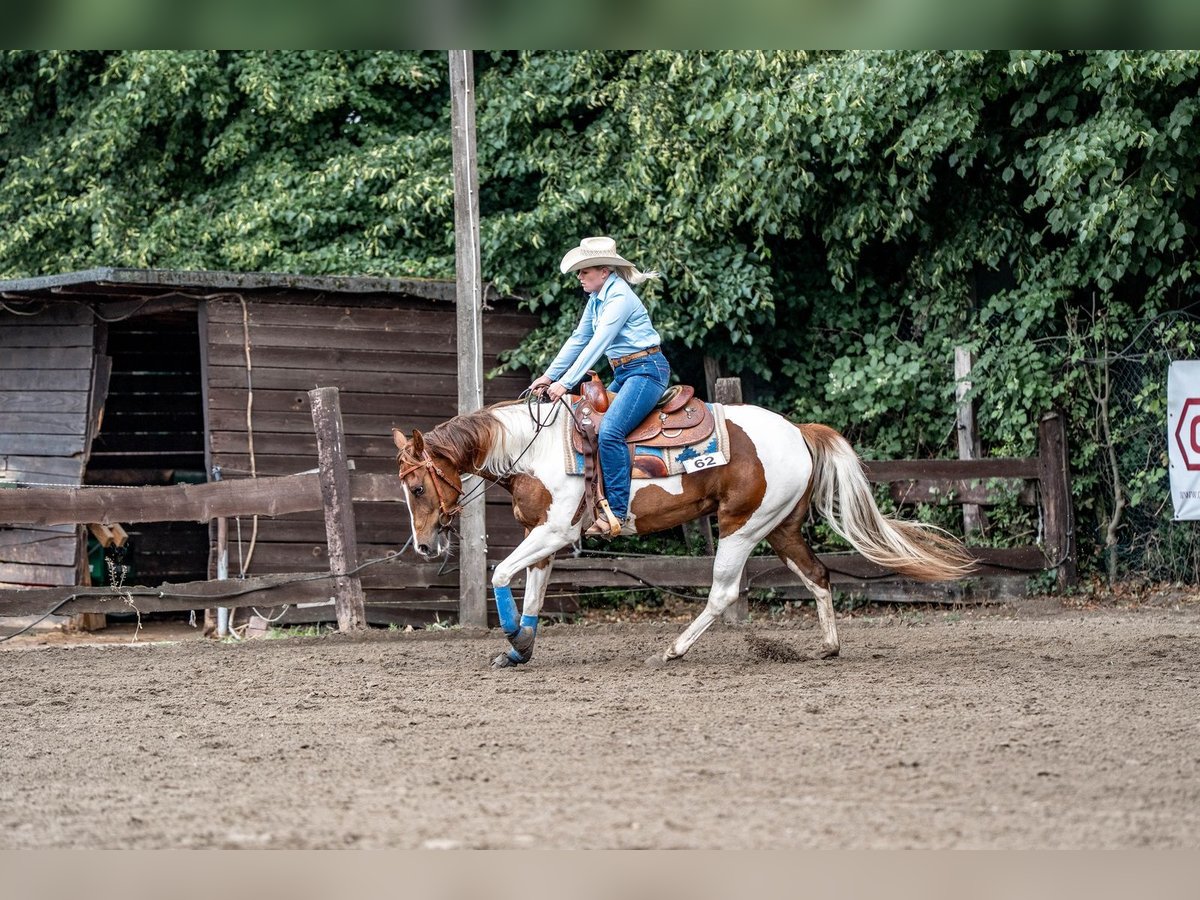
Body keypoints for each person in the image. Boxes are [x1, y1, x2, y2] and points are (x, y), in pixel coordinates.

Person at [529, 236, 670, 538]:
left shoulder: (619, 298)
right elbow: (578, 339)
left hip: (646, 371)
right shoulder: (597, 299)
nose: (579, 277)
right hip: (628, 371)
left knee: (611, 431)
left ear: (604, 272)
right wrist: (548, 376)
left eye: (585, 271)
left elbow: (597, 344)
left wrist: (565, 383)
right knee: (586, 425)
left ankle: (617, 512)